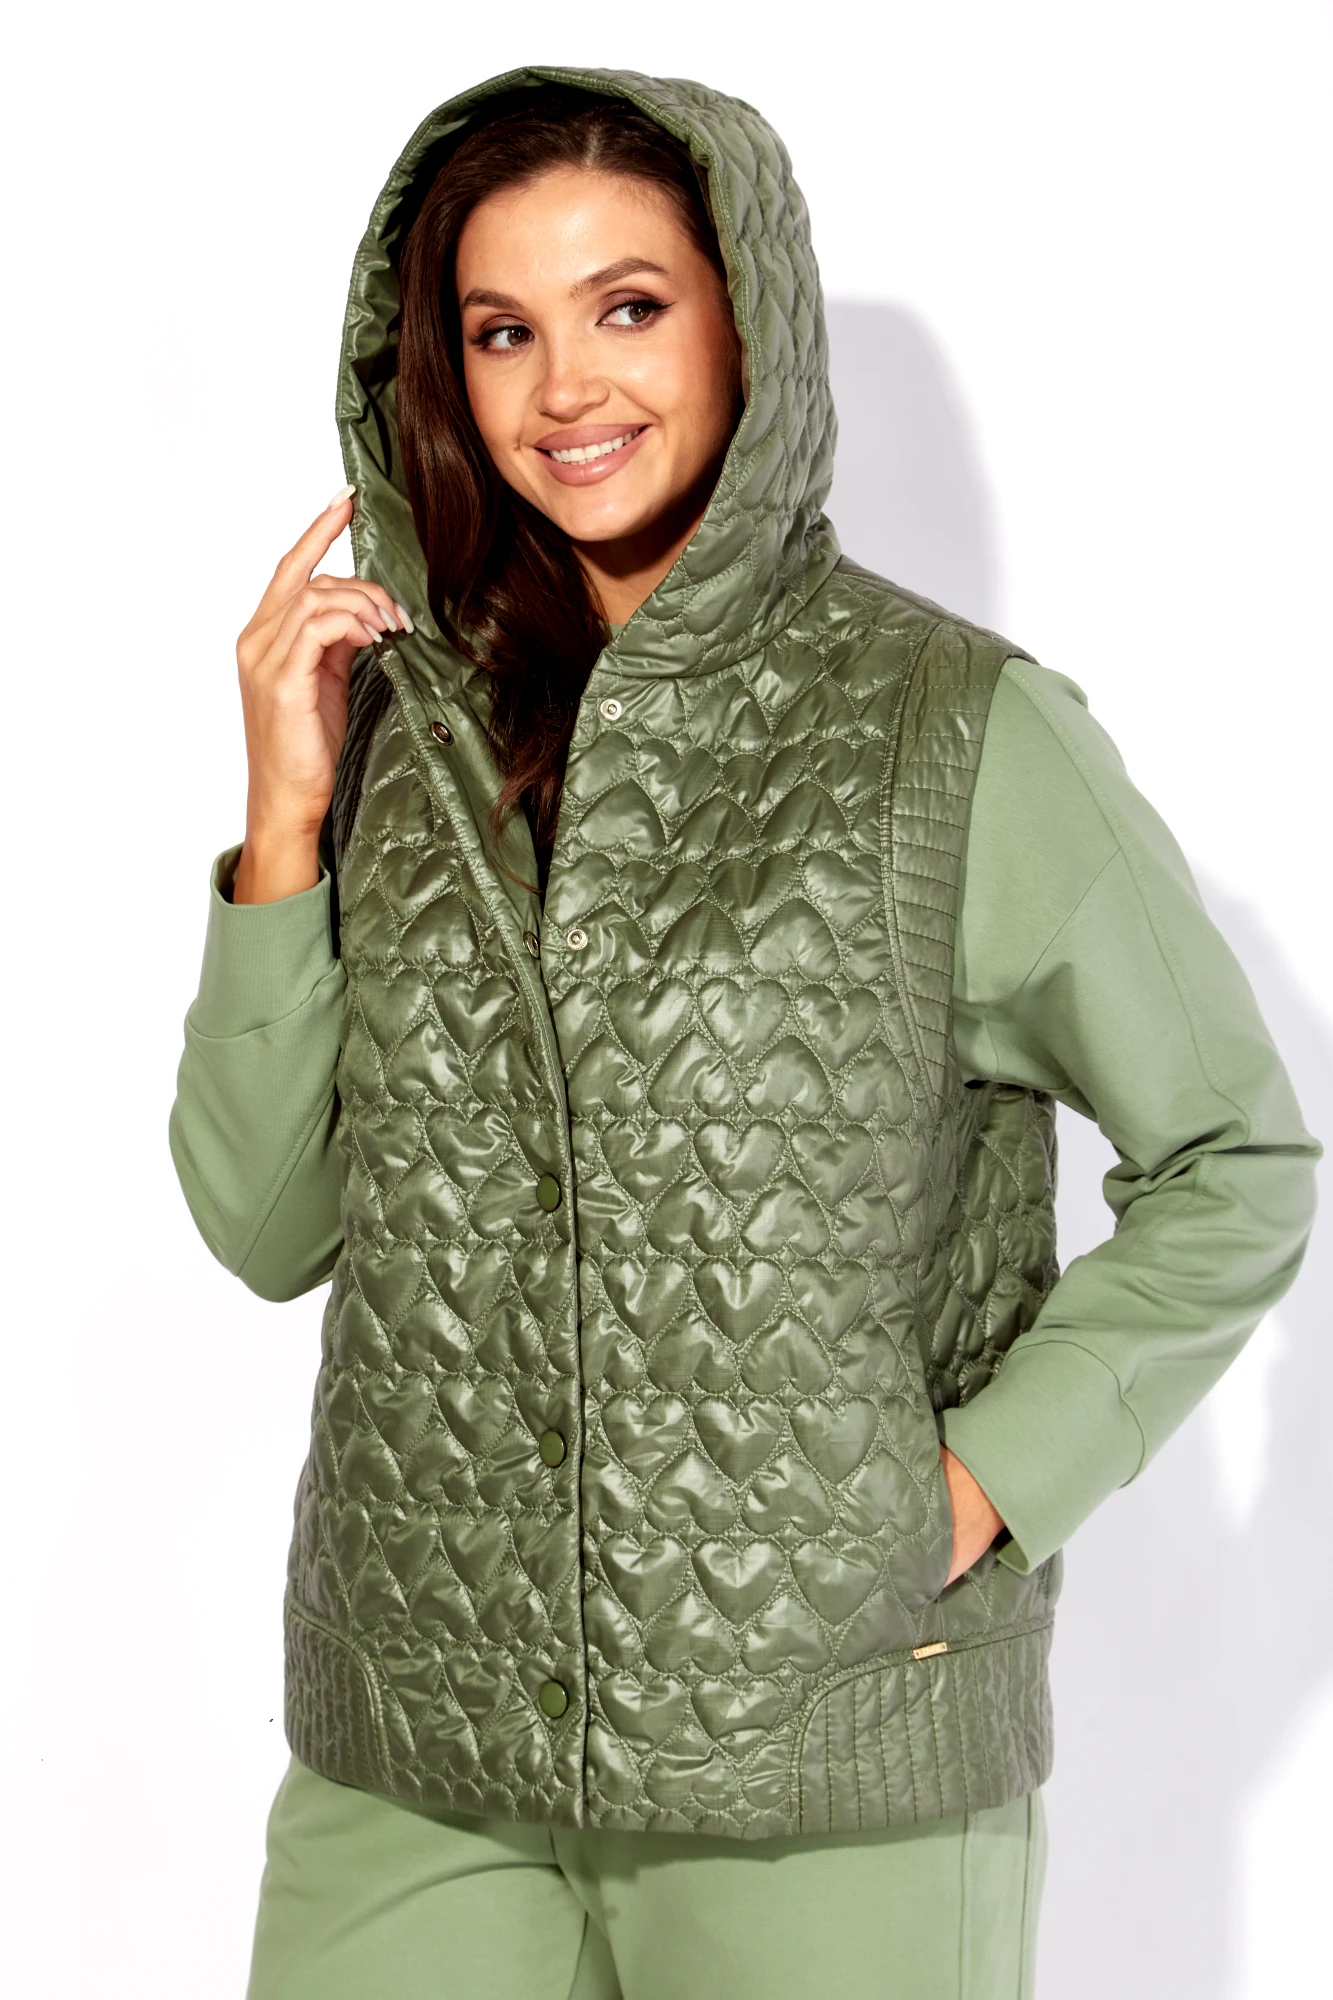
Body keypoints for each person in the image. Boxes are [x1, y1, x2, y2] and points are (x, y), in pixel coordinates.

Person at [168, 66, 1318, 2000]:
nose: (565, 388)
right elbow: (269, 1228)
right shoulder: (400, 726)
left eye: (627, 307)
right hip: (417, 1763)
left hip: (825, 1765)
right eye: (502, 332)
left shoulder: (956, 733)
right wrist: (285, 816)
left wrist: (984, 1483)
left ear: (746, 322)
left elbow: (1238, 1164)